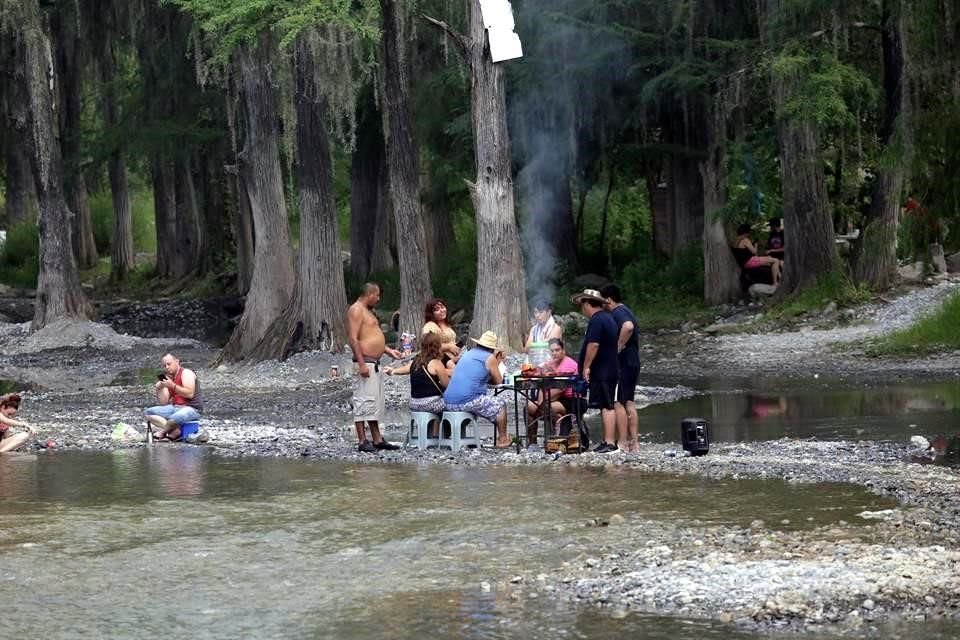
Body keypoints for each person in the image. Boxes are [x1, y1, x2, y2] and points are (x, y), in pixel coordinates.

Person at [348, 282, 402, 453]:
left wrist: (387, 350)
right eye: (377, 295)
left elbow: (370, 336)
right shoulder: (356, 309)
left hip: (374, 363)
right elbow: (354, 338)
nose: (378, 299)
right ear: (369, 294)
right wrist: (361, 363)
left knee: (373, 402)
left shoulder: (368, 312)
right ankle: (362, 440)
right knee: (362, 401)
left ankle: (377, 439)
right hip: (363, 362)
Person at [442, 330, 511, 449]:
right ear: (492, 349)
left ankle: (455, 437)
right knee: (500, 404)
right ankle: (503, 439)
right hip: (466, 401)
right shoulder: (490, 358)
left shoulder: (468, 354)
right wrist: (498, 360)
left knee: (477, 405)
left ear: (478, 344)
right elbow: (499, 381)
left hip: (448, 401)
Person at [571, 288, 620, 453]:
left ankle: (610, 442)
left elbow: (593, 344)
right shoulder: (608, 318)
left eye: (582, 305)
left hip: (603, 370)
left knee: (606, 405)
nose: (581, 309)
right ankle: (608, 441)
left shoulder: (597, 320)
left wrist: (586, 366)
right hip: (609, 368)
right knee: (606, 404)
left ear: (587, 303)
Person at [600, 284, 641, 453]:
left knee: (618, 402)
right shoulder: (627, 309)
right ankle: (635, 443)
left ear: (608, 299)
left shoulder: (618, 313)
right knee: (629, 402)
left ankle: (622, 442)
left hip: (623, 362)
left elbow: (628, 326)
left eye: (602, 300)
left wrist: (618, 346)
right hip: (633, 361)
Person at [385, 332, 451, 435]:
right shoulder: (436, 363)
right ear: (437, 346)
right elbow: (447, 385)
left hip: (414, 404)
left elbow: (407, 368)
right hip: (430, 404)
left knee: (439, 404)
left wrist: (393, 370)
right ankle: (443, 436)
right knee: (451, 405)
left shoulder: (416, 360)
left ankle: (430, 434)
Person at [525, 338, 578, 447]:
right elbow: (539, 371)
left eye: (557, 350)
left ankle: (560, 438)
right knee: (528, 408)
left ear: (563, 350)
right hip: (552, 398)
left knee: (545, 407)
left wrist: (541, 402)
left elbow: (560, 389)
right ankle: (532, 442)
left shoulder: (568, 364)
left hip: (569, 399)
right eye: (552, 351)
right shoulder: (552, 362)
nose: (554, 353)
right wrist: (540, 370)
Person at [144, 353, 204, 441]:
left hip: (192, 408)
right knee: (148, 412)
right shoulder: (170, 378)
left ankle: (164, 432)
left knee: (173, 419)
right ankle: (175, 430)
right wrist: (159, 388)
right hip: (175, 407)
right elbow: (163, 402)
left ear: (177, 362)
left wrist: (172, 385)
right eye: (164, 366)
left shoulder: (186, 373)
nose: (167, 367)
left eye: (169, 364)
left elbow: (189, 394)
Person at [421, 298, 461, 367]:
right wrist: (448, 346)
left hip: (454, 359)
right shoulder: (430, 326)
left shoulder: (446, 324)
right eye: (437, 309)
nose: (441, 310)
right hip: (440, 362)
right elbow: (428, 346)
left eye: (442, 307)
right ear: (431, 313)